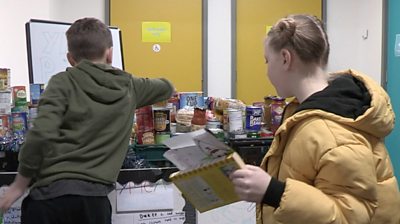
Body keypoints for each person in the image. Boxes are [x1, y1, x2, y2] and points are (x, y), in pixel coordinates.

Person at [0, 17, 174, 223]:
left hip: (49, 199)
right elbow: (167, 86)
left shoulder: (61, 82)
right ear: (110, 53)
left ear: (70, 58)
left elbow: (40, 134)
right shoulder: (129, 86)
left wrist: (19, 185)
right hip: (94, 204)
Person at [230, 14, 400, 224]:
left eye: (267, 60)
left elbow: (350, 216)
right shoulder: (306, 112)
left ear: (285, 58)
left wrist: (273, 191)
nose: (267, 71)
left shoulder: (331, 130)